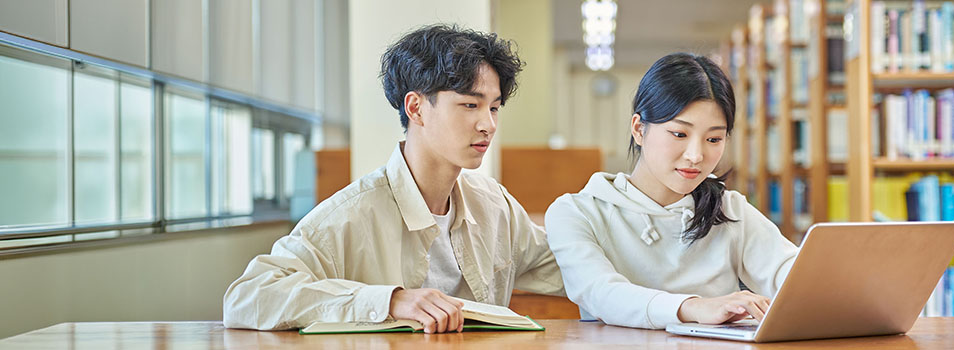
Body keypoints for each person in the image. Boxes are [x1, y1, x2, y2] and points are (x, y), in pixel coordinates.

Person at [223, 24, 563, 333]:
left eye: (494, 107)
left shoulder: (495, 205)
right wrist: (390, 301)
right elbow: (248, 297)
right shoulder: (351, 214)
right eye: (470, 106)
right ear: (415, 109)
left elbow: (571, 266)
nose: (488, 124)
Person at [544, 52, 799, 330]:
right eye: (679, 134)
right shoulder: (576, 212)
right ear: (639, 129)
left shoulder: (728, 208)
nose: (696, 155)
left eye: (713, 139)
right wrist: (692, 307)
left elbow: (793, 274)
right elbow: (601, 293)